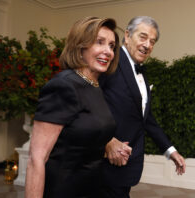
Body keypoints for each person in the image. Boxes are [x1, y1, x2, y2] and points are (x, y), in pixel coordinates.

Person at [25, 17, 126, 198]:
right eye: (99, 42)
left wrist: (111, 142)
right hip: (64, 190)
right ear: (80, 47)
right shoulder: (63, 85)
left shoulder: (93, 85)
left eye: (111, 46)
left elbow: (81, 131)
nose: (108, 51)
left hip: (94, 187)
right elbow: (36, 159)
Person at [99, 16, 186, 197]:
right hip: (105, 164)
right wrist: (107, 141)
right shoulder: (109, 60)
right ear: (128, 35)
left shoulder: (140, 72)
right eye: (143, 37)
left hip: (127, 165)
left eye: (152, 41)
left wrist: (170, 151)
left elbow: (146, 118)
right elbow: (89, 103)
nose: (147, 45)